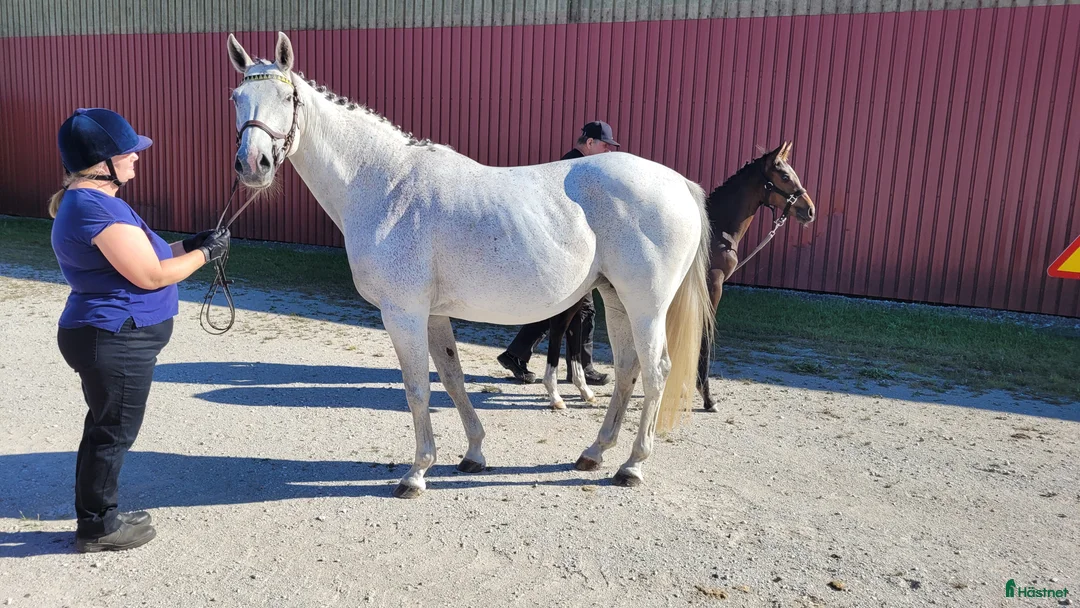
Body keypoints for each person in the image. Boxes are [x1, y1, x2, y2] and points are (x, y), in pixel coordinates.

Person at [49, 108, 230, 553]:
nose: (136, 158)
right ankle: (98, 527)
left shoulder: (99, 202)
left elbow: (148, 256)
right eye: (129, 152)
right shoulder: (93, 207)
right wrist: (206, 256)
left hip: (110, 334)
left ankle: (100, 515)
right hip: (114, 336)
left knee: (106, 428)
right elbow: (150, 276)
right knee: (113, 433)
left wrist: (190, 244)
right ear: (103, 162)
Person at [496, 120, 620, 386]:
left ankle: (516, 354)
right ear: (589, 143)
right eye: (604, 145)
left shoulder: (571, 166)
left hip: (565, 252)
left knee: (561, 309)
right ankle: (581, 368)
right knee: (582, 310)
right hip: (567, 253)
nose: (608, 152)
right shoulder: (575, 170)